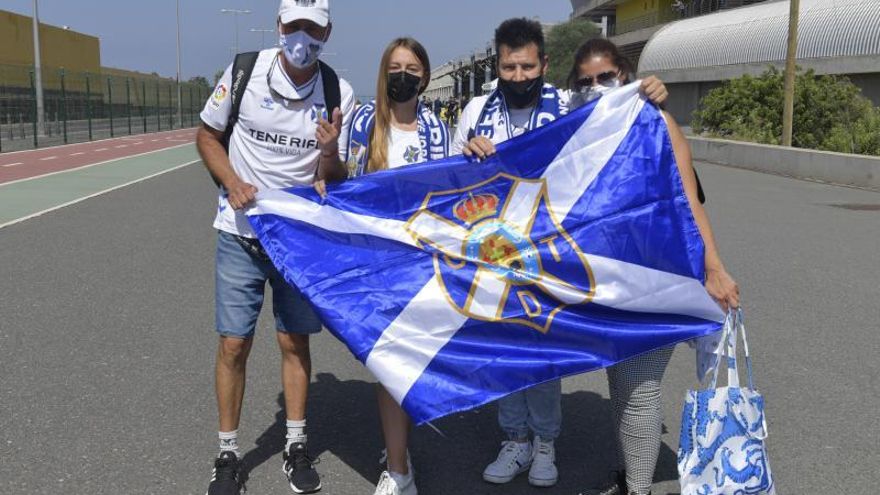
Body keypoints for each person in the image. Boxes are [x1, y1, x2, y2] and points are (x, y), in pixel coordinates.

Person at [451, 19, 670, 488]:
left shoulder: (567, 105)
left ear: (543, 64)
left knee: (542, 352)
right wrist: (470, 149)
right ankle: (514, 438)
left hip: (549, 254)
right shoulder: (473, 110)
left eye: (527, 65)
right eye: (508, 67)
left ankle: (546, 441)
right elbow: (452, 180)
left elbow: (613, 112)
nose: (517, 75)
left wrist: (648, 92)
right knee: (504, 351)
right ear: (498, 65)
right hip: (492, 251)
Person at [564, 38, 739, 495]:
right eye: (586, 81)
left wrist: (714, 266)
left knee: (637, 386)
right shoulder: (576, 132)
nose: (597, 87)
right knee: (622, 383)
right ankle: (632, 475)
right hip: (602, 283)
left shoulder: (655, 121)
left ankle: (637, 487)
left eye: (606, 77)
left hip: (653, 275)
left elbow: (689, 200)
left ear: (624, 75)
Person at [196, 1, 355, 494]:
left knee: (294, 341)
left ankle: (296, 445)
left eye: (313, 27)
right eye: (295, 26)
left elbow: (336, 179)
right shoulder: (245, 71)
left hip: (296, 240)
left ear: (327, 30)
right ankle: (226, 453)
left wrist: (328, 152)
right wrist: (232, 181)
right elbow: (206, 136)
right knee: (233, 343)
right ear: (279, 27)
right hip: (241, 231)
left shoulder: (337, 91)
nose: (303, 37)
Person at [330, 37, 449, 495]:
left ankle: (399, 450)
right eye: (396, 66)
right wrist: (327, 153)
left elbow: (453, 190)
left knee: (411, 364)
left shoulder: (438, 130)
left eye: (413, 68)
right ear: (384, 71)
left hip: (421, 264)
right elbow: (339, 179)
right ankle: (399, 468)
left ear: (425, 75)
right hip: (374, 263)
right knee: (386, 362)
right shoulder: (362, 122)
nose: (404, 75)